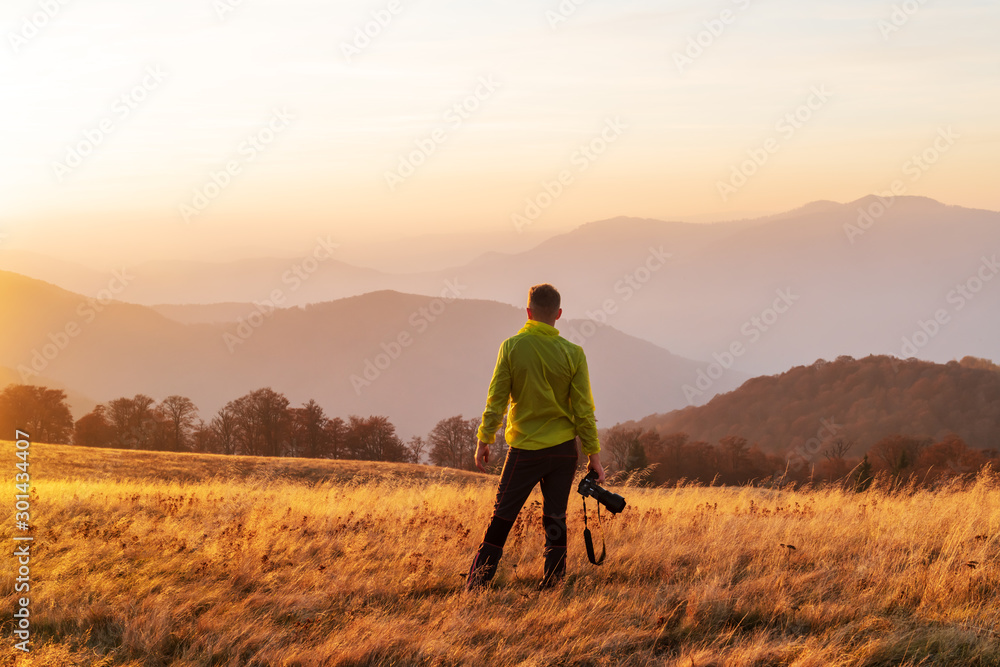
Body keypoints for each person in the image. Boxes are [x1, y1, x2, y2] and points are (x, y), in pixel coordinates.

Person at [466, 283, 605, 591]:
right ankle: (553, 582)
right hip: (564, 451)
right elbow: (584, 410)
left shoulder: (512, 347)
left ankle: (477, 585)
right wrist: (594, 456)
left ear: (528, 312)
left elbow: (497, 399)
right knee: (555, 517)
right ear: (558, 314)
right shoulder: (574, 353)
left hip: (525, 450)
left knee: (502, 516)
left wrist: (484, 439)